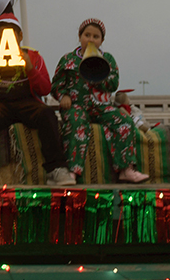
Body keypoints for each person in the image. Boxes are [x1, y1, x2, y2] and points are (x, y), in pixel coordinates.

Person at [0, 14, 76, 186]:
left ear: (20, 37)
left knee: (46, 114)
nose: (3, 40)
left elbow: (45, 88)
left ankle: (56, 169)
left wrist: (30, 68)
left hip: (28, 103)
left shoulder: (34, 56)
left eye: (8, 36)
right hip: (0, 104)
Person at [50, 18, 148, 183]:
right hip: (76, 106)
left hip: (101, 107)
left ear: (101, 41)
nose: (91, 39)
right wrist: (63, 96)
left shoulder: (107, 59)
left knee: (123, 120)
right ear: (80, 36)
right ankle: (72, 171)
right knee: (76, 123)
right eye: (87, 35)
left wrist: (97, 73)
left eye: (96, 36)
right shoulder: (68, 60)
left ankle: (126, 168)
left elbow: (113, 84)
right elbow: (56, 85)